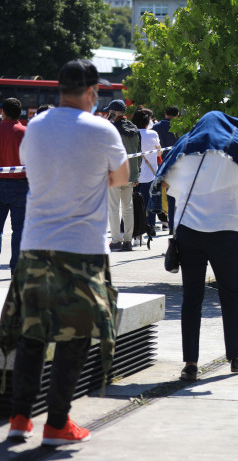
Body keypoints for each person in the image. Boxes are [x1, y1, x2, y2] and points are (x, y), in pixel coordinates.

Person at [1, 59, 129, 446]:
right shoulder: (102, 129)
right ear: (91, 92)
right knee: (76, 336)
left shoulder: (36, 126)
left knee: (32, 333)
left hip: (36, 244)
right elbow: (120, 178)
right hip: (82, 248)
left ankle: (21, 418)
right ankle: (57, 421)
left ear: (59, 90)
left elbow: (35, 167)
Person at [154, 111, 238, 381]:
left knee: (191, 299)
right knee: (231, 296)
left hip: (189, 235)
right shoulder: (232, 157)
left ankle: (190, 364)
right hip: (224, 234)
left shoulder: (182, 156)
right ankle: (237, 356)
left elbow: (164, 182)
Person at [104, 99, 141, 252]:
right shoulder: (134, 129)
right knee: (128, 208)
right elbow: (139, 153)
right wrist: (137, 174)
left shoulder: (112, 129)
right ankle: (128, 241)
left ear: (113, 112)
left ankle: (116, 241)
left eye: (109, 111)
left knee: (113, 208)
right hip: (131, 174)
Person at [0, 98, 27, 273]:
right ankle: (16, 268)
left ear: (3, 111)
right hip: (21, 186)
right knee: (18, 230)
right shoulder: (26, 132)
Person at [132, 108, 162, 237]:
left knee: (134, 203)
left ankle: (135, 228)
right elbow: (159, 152)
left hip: (134, 174)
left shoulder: (131, 134)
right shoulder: (152, 134)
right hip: (150, 173)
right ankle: (150, 227)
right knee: (149, 202)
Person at [152, 105, 180, 233]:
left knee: (162, 195)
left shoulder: (156, 127)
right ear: (177, 115)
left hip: (160, 164)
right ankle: (174, 226)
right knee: (176, 197)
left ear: (165, 113)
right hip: (177, 165)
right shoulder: (179, 127)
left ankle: (166, 223)